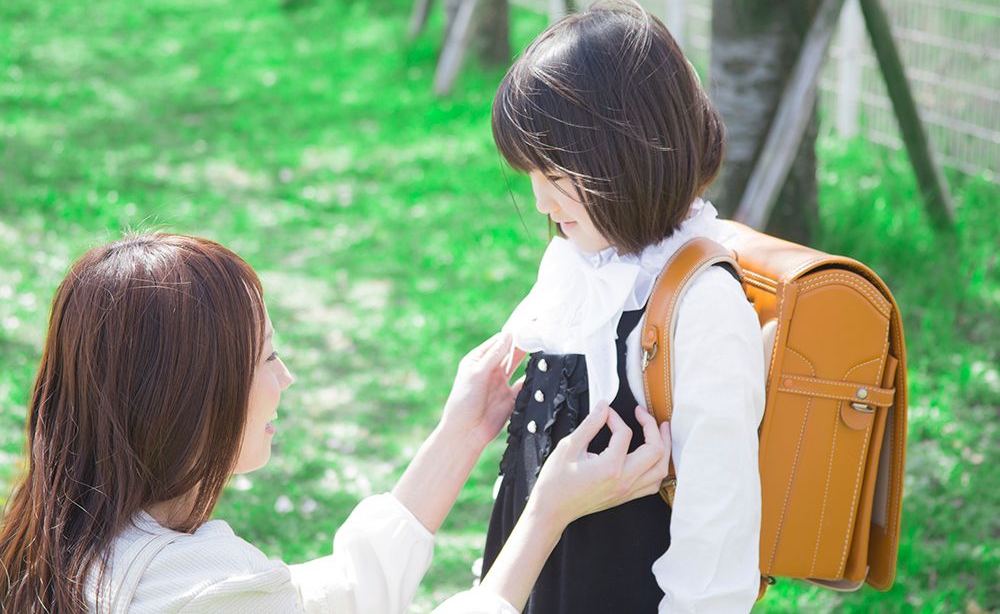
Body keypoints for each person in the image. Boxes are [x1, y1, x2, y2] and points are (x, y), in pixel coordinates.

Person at [0, 233, 672, 613]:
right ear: (190, 398)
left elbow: (321, 598)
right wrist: (546, 514)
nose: (285, 377)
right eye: (267, 356)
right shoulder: (199, 592)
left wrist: (461, 433)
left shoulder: (72, 543)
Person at [480, 0, 767, 613]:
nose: (540, 203)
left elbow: (716, 554)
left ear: (626, 156)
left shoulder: (702, 308)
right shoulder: (581, 265)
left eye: (554, 176)